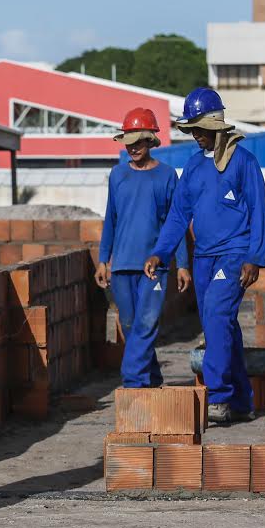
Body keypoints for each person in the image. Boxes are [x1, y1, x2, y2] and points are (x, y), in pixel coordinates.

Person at [143, 88, 265, 424]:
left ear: (215, 125)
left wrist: (254, 257)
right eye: (192, 130)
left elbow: (259, 212)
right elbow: (178, 216)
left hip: (234, 254)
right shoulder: (194, 168)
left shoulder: (243, 162)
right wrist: (160, 253)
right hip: (204, 258)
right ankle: (243, 401)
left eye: (199, 129)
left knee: (215, 313)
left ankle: (219, 396)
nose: (195, 136)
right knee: (222, 325)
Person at [96, 108, 190, 388]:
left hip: (154, 266)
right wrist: (103, 259)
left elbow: (177, 222)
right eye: (129, 141)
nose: (133, 147)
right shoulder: (117, 175)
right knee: (129, 326)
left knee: (146, 325)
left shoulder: (167, 176)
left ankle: (133, 383)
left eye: (139, 141)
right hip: (122, 265)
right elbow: (110, 218)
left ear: (151, 141)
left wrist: (182, 264)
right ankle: (153, 377)